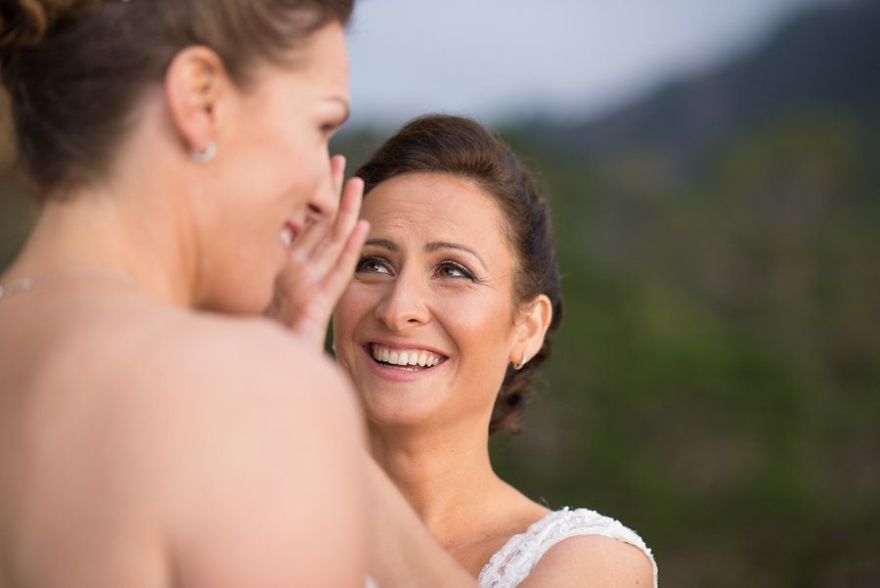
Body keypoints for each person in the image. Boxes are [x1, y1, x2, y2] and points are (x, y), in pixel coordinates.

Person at [0, 1, 370, 586]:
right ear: (202, 100)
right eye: (321, 126)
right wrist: (282, 394)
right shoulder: (241, 397)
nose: (328, 194)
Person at [331, 114, 658, 587]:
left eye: (452, 271)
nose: (398, 309)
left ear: (527, 327)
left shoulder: (590, 562)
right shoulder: (243, 523)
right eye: (374, 264)